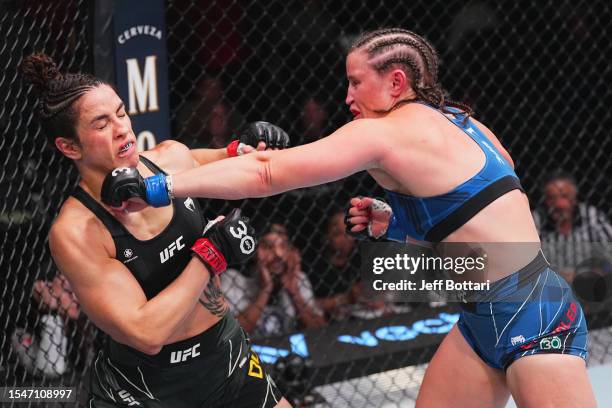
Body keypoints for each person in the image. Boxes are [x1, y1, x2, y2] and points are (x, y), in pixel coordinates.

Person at [104, 28, 596, 407]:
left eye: (356, 83)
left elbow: (268, 172)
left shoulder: (382, 133)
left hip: (533, 317)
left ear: (396, 82)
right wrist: (402, 221)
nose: (347, 98)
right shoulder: (462, 120)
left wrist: (159, 186)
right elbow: (497, 188)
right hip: (490, 310)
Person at [21, 54, 291, 407]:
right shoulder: (77, 231)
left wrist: (251, 148)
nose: (122, 129)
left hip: (225, 353)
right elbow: (146, 333)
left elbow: (236, 165)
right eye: (101, 124)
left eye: (121, 113)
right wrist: (211, 255)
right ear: (69, 146)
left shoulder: (170, 158)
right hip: (148, 389)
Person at [222, 223, 326, 337]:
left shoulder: (298, 279)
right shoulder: (234, 280)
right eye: (268, 247)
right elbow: (231, 336)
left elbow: (321, 331)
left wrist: (294, 291)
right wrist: (265, 290)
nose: (278, 254)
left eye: (283, 246)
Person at [533, 172, 612, 282]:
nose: (559, 204)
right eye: (552, 198)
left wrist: (596, 273)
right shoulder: (537, 221)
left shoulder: (591, 217)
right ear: (545, 201)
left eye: (564, 197)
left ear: (574, 199)